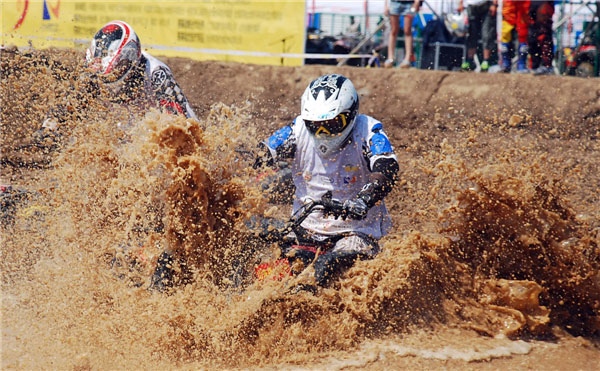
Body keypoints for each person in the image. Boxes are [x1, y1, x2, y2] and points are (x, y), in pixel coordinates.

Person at [250, 74, 400, 290]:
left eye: (332, 124)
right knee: (252, 240)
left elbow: (387, 168)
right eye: (316, 126)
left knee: (326, 267)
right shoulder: (298, 128)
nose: (323, 133)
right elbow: (265, 150)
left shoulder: (369, 130)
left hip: (356, 230)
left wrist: (364, 200)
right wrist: (244, 160)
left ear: (350, 114)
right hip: (305, 226)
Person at [39, 20, 197, 139]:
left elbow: (181, 126)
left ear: (131, 59)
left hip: (156, 137)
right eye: (106, 74)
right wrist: (50, 127)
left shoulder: (156, 73)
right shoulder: (95, 75)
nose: (109, 79)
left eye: (116, 71)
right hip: (125, 136)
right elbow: (71, 105)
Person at [458, 0, 499, 72]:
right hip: (470, 5)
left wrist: (494, 3)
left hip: (486, 5)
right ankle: (470, 61)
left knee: (487, 34)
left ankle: (486, 61)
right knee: (471, 34)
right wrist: (461, 3)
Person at [384, 0, 422, 68]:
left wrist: (417, 2)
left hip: (409, 4)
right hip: (394, 3)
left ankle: (407, 59)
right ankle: (390, 58)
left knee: (407, 30)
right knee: (394, 30)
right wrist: (386, 5)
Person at [501, 0, 532, 73]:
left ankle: (522, 65)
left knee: (523, 33)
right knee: (505, 32)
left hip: (523, 4)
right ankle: (506, 64)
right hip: (509, 4)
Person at [528, 1, 555, 75]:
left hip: (544, 4)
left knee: (544, 36)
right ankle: (535, 66)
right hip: (532, 5)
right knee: (532, 39)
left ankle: (546, 65)